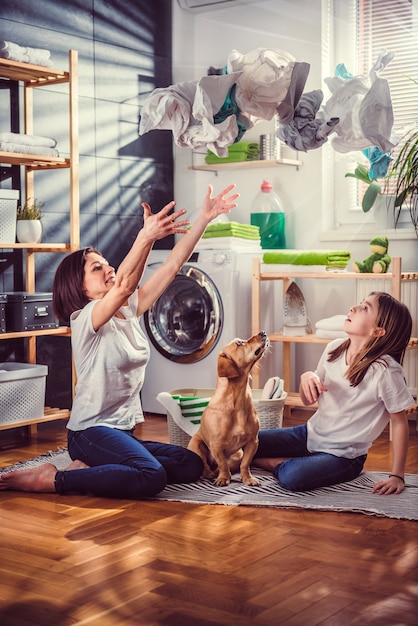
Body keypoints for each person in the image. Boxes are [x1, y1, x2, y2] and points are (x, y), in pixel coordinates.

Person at [0, 183, 239, 498]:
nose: (108, 268)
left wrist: (204, 218)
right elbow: (125, 284)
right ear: (80, 288)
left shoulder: (128, 309)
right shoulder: (85, 319)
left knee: (190, 464)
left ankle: (91, 468)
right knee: (150, 476)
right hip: (89, 432)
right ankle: (54, 479)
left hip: (122, 432)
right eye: (96, 268)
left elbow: (172, 266)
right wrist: (146, 236)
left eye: (106, 263)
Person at [253, 291, 414, 495]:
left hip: (344, 456)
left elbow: (399, 423)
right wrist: (306, 378)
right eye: (360, 304)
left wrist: (397, 475)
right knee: (248, 439)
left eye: (365, 308)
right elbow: (308, 399)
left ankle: (269, 462)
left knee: (292, 476)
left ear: (378, 331)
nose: (353, 308)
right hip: (310, 434)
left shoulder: (385, 371)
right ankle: (243, 456)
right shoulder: (334, 348)